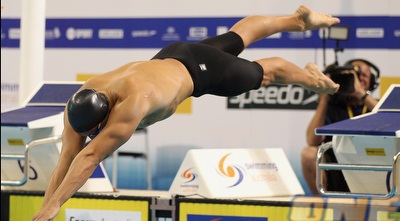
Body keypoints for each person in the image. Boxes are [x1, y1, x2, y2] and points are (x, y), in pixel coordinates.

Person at [32, 5, 340, 220]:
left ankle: (310, 77)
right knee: (236, 38)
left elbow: (88, 158)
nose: (91, 137)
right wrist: (47, 208)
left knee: (264, 73)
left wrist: (57, 203)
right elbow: (67, 157)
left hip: (199, 71)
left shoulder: (133, 105)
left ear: (105, 115)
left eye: (94, 132)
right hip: (173, 53)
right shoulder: (79, 101)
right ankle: (297, 20)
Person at [301, 58, 380, 195]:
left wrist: (361, 94)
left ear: (372, 82)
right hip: (338, 169)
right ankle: (322, 207)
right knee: (308, 154)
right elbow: (312, 140)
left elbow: (389, 119)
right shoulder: (332, 107)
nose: (357, 79)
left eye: (363, 75)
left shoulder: (377, 105)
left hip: (373, 166)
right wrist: (324, 97)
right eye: (352, 75)